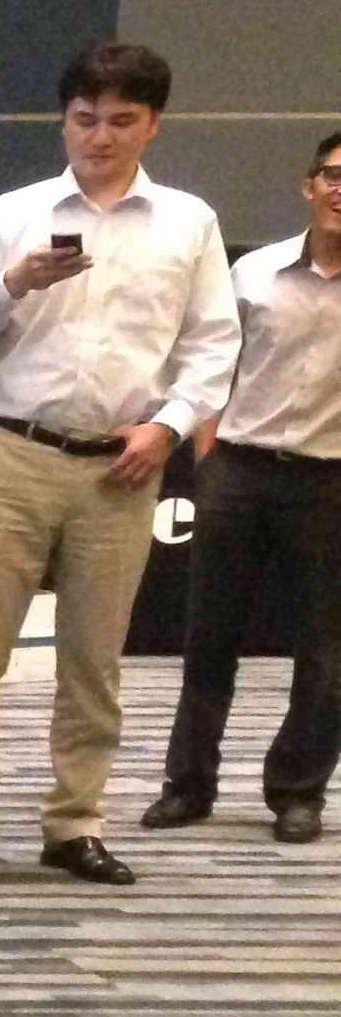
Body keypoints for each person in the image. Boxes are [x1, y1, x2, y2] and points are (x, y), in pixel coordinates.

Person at [0, 40, 241, 886]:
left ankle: (74, 822)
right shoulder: (14, 213)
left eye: (121, 121)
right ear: (64, 120)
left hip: (122, 465)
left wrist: (168, 427)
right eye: (84, 118)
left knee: (94, 661)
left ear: (153, 126)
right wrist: (14, 282)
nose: (99, 137)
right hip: (12, 452)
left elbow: (214, 346)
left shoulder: (189, 222)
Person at [142, 129, 341, 844]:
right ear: (308, 185)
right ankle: (188, 786)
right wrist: (208, 455)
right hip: (239, 471)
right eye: (333, 175)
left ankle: (298, 792)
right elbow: (209, 364)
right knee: (209, 637)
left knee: (326, 651)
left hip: (331, 482)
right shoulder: (253, 273)